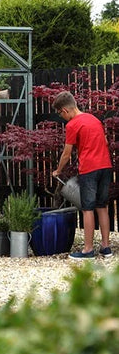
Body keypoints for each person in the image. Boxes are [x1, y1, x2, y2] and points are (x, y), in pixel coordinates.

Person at [51, 90, 113, 259]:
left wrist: (58, 170)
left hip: (90, 169)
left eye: (60, 113)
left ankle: (87, 250)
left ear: (64, 110)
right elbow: (105, 142)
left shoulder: (72, 125)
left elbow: (66, 153)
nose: (61, 117)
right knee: (102, 206)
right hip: (106, 166)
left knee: (87, 208)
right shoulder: (94, 119)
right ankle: (106, 247)